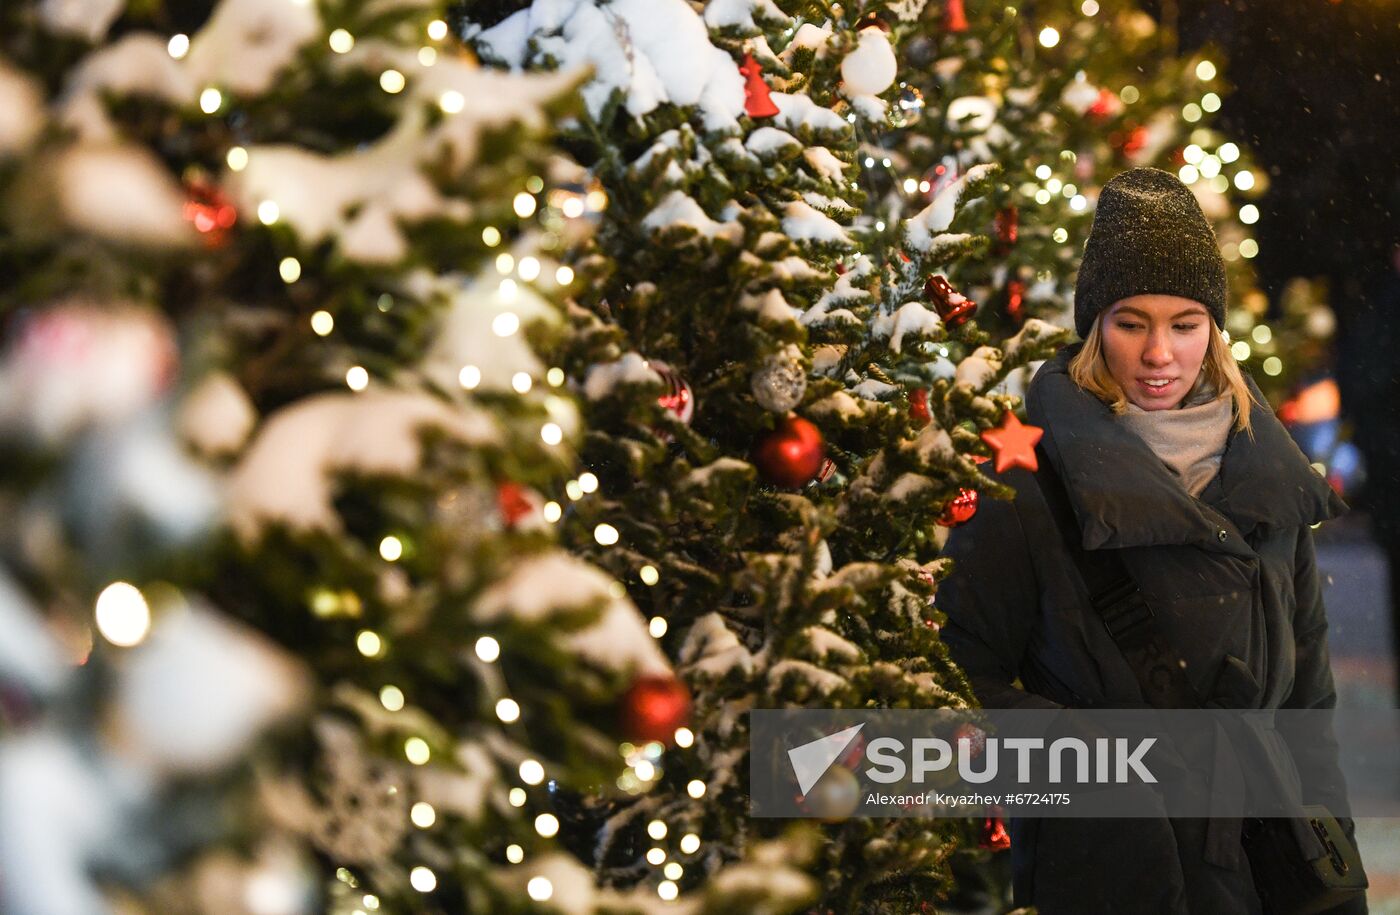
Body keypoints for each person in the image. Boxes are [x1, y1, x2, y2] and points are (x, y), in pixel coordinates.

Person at [938, 167, 1365, 913]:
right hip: (1113, 881)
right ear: (1096, 324)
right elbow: (955, 688)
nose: (1159, 352)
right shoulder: (1029, 481)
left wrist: (1333, 881)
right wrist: (1102, 775)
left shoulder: (1269, 476)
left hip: (1267, 876)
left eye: (1185, 323)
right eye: (1132, 321)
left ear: (1215, 328)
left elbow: (1306, 715)